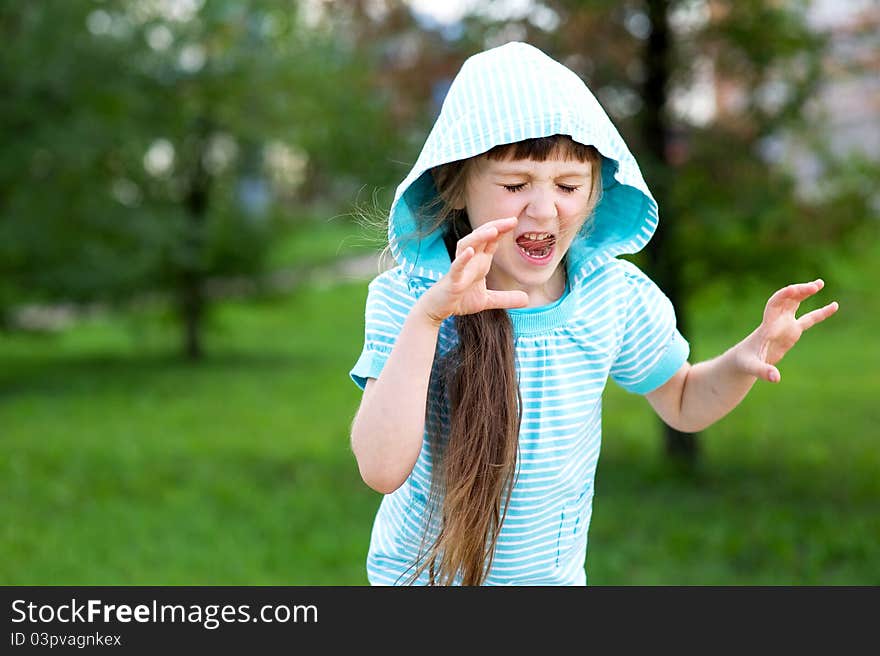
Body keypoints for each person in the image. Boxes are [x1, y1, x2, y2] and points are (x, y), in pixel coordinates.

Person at [348, 41, 838, 586]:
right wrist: (428, 321)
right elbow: (381, 468)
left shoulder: (611, 295)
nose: (544, 208)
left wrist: (745, 359)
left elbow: (682, 401)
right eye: (515, 185)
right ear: (457, 185)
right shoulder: (409, 297)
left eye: (567, 185)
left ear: (595, 190)